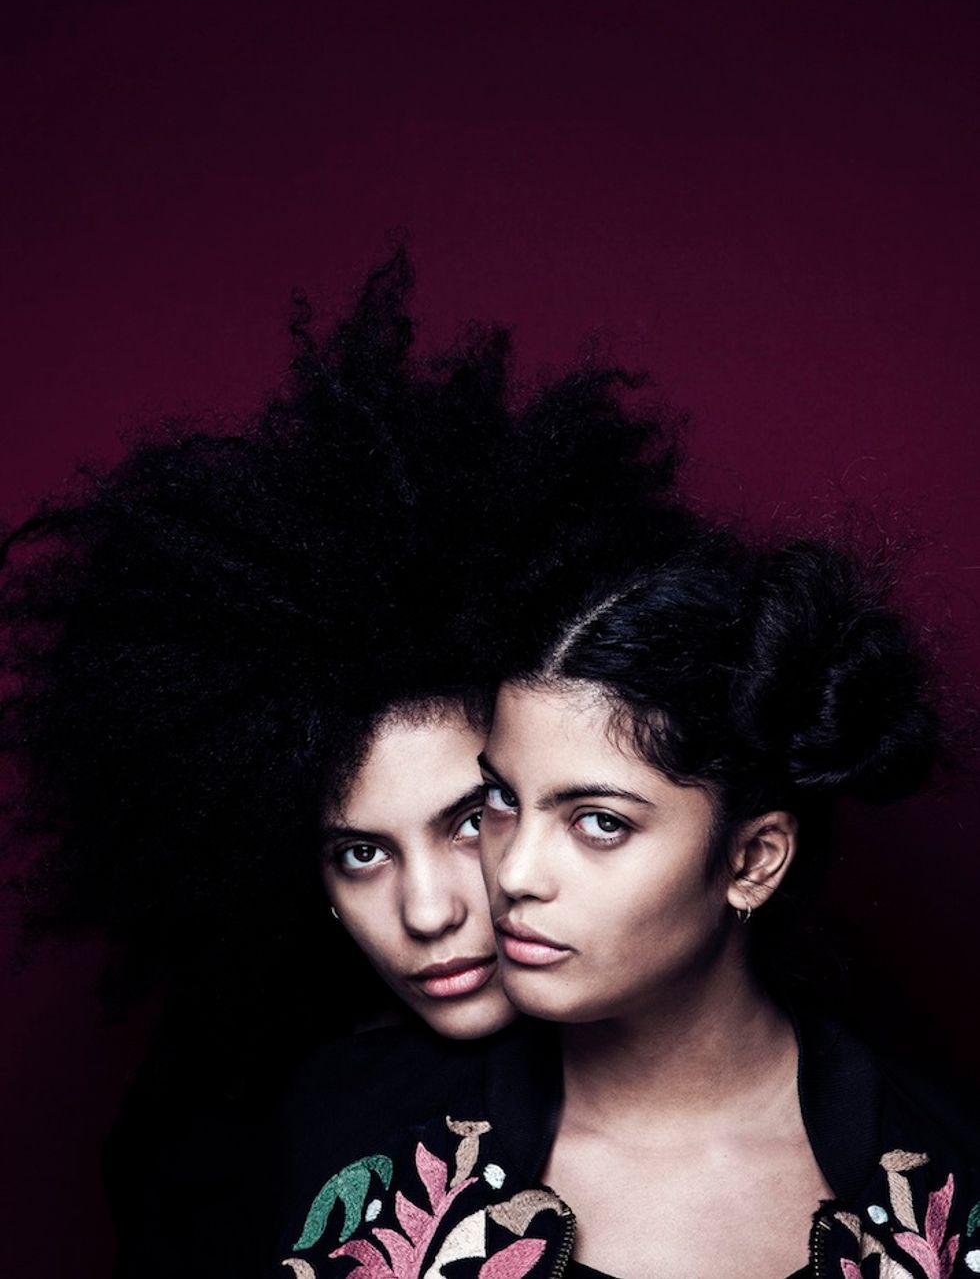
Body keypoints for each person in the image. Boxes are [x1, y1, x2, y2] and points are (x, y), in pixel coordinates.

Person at [0, 252, 684, 1276]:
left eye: (469, 819)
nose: (425, 911)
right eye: (359, 852)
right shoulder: (219, 1143)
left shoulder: (828, 1112)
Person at [273, 462, 980, 1276]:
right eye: (500, 801)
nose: (514, 873)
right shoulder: (352, 1129)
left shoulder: (945, 1172)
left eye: (599, 823)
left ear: (752, 861)